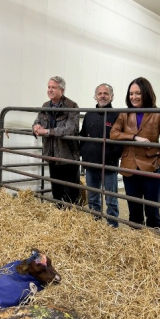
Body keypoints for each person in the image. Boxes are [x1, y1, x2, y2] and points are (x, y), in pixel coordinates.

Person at [110, 77, 160, 230]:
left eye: (138, 93)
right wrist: (134, 137)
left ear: (146, 93)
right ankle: (137, 245)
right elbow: (113, 133)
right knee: (134, 211)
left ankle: (156, 245)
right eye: (131, 94)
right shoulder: (125, 114)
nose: (134, 97)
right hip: (129, 168)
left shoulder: (158, 114)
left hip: (152, 168)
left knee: (152, 212)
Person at [80, 83, 123, 228]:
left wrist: (113, 155)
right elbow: (82, 135)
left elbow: (120, 140)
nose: (102, 96)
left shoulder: (117, 115)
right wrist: (83, 153)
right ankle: (95, 226)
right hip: (91, 163)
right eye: (100, 93)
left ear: (112, 96)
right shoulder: (89, 115)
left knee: (111, 199)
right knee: (93, 197)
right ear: (95, 96)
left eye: (106, 93)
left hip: (109, 164)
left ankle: (112, 227)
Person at [33, 76, 80, 205]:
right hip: (51, 154)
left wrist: (48, 131)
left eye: (54, 87)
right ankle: (59, 216)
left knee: (71, 190)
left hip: (67, 155)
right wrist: (35, 127)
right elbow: (37, 120)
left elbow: (70, 129)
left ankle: (72, 218)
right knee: (57, 189)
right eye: (49, 87)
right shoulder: (45, 106)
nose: (50, 90)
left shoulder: (72, 106)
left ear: (62, 90)